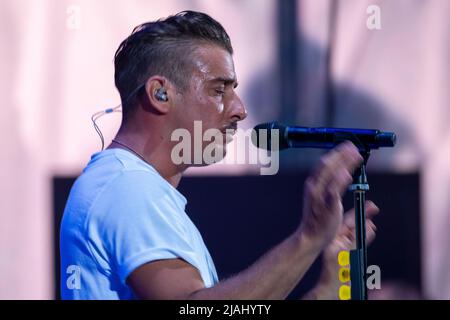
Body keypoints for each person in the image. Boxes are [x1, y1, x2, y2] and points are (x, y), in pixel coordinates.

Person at [60, 10, 378, 300]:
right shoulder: (127, 187)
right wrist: (308, 238)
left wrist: (327, 290)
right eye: (218, 89)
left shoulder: (131, 187)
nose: (239, 109)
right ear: (160, 93)